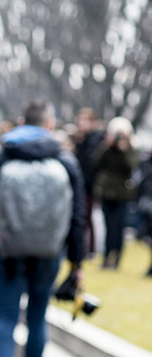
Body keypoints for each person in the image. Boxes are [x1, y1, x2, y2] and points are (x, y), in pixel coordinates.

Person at [0, 98, 85, 357]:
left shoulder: (3, 156)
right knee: (37, 316)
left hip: (10, 249)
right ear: (50, 124)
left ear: (22, 121)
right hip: (49, 252)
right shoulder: (65, 159)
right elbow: (77, 217)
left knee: (7, 315)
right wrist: (78, 263)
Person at [93, 117, 139, 269]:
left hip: (122, 195)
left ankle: (117, 258)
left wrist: (124, 148)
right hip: (107, 193)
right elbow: (96, 161)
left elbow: (131, 166)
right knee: (108, 227)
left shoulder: (130, 149)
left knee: (118, 227)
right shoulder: (107, 148)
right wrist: (107, 145)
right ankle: (106, 257)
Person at [73, 107, 104, 256]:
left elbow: (91, 163)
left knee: (86, 217)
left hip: (89, 185)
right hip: (81, 183)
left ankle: (89, 249)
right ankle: (83, 247)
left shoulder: (95, 139)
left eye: (84, 120)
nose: (81, 123)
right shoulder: (82, 139)